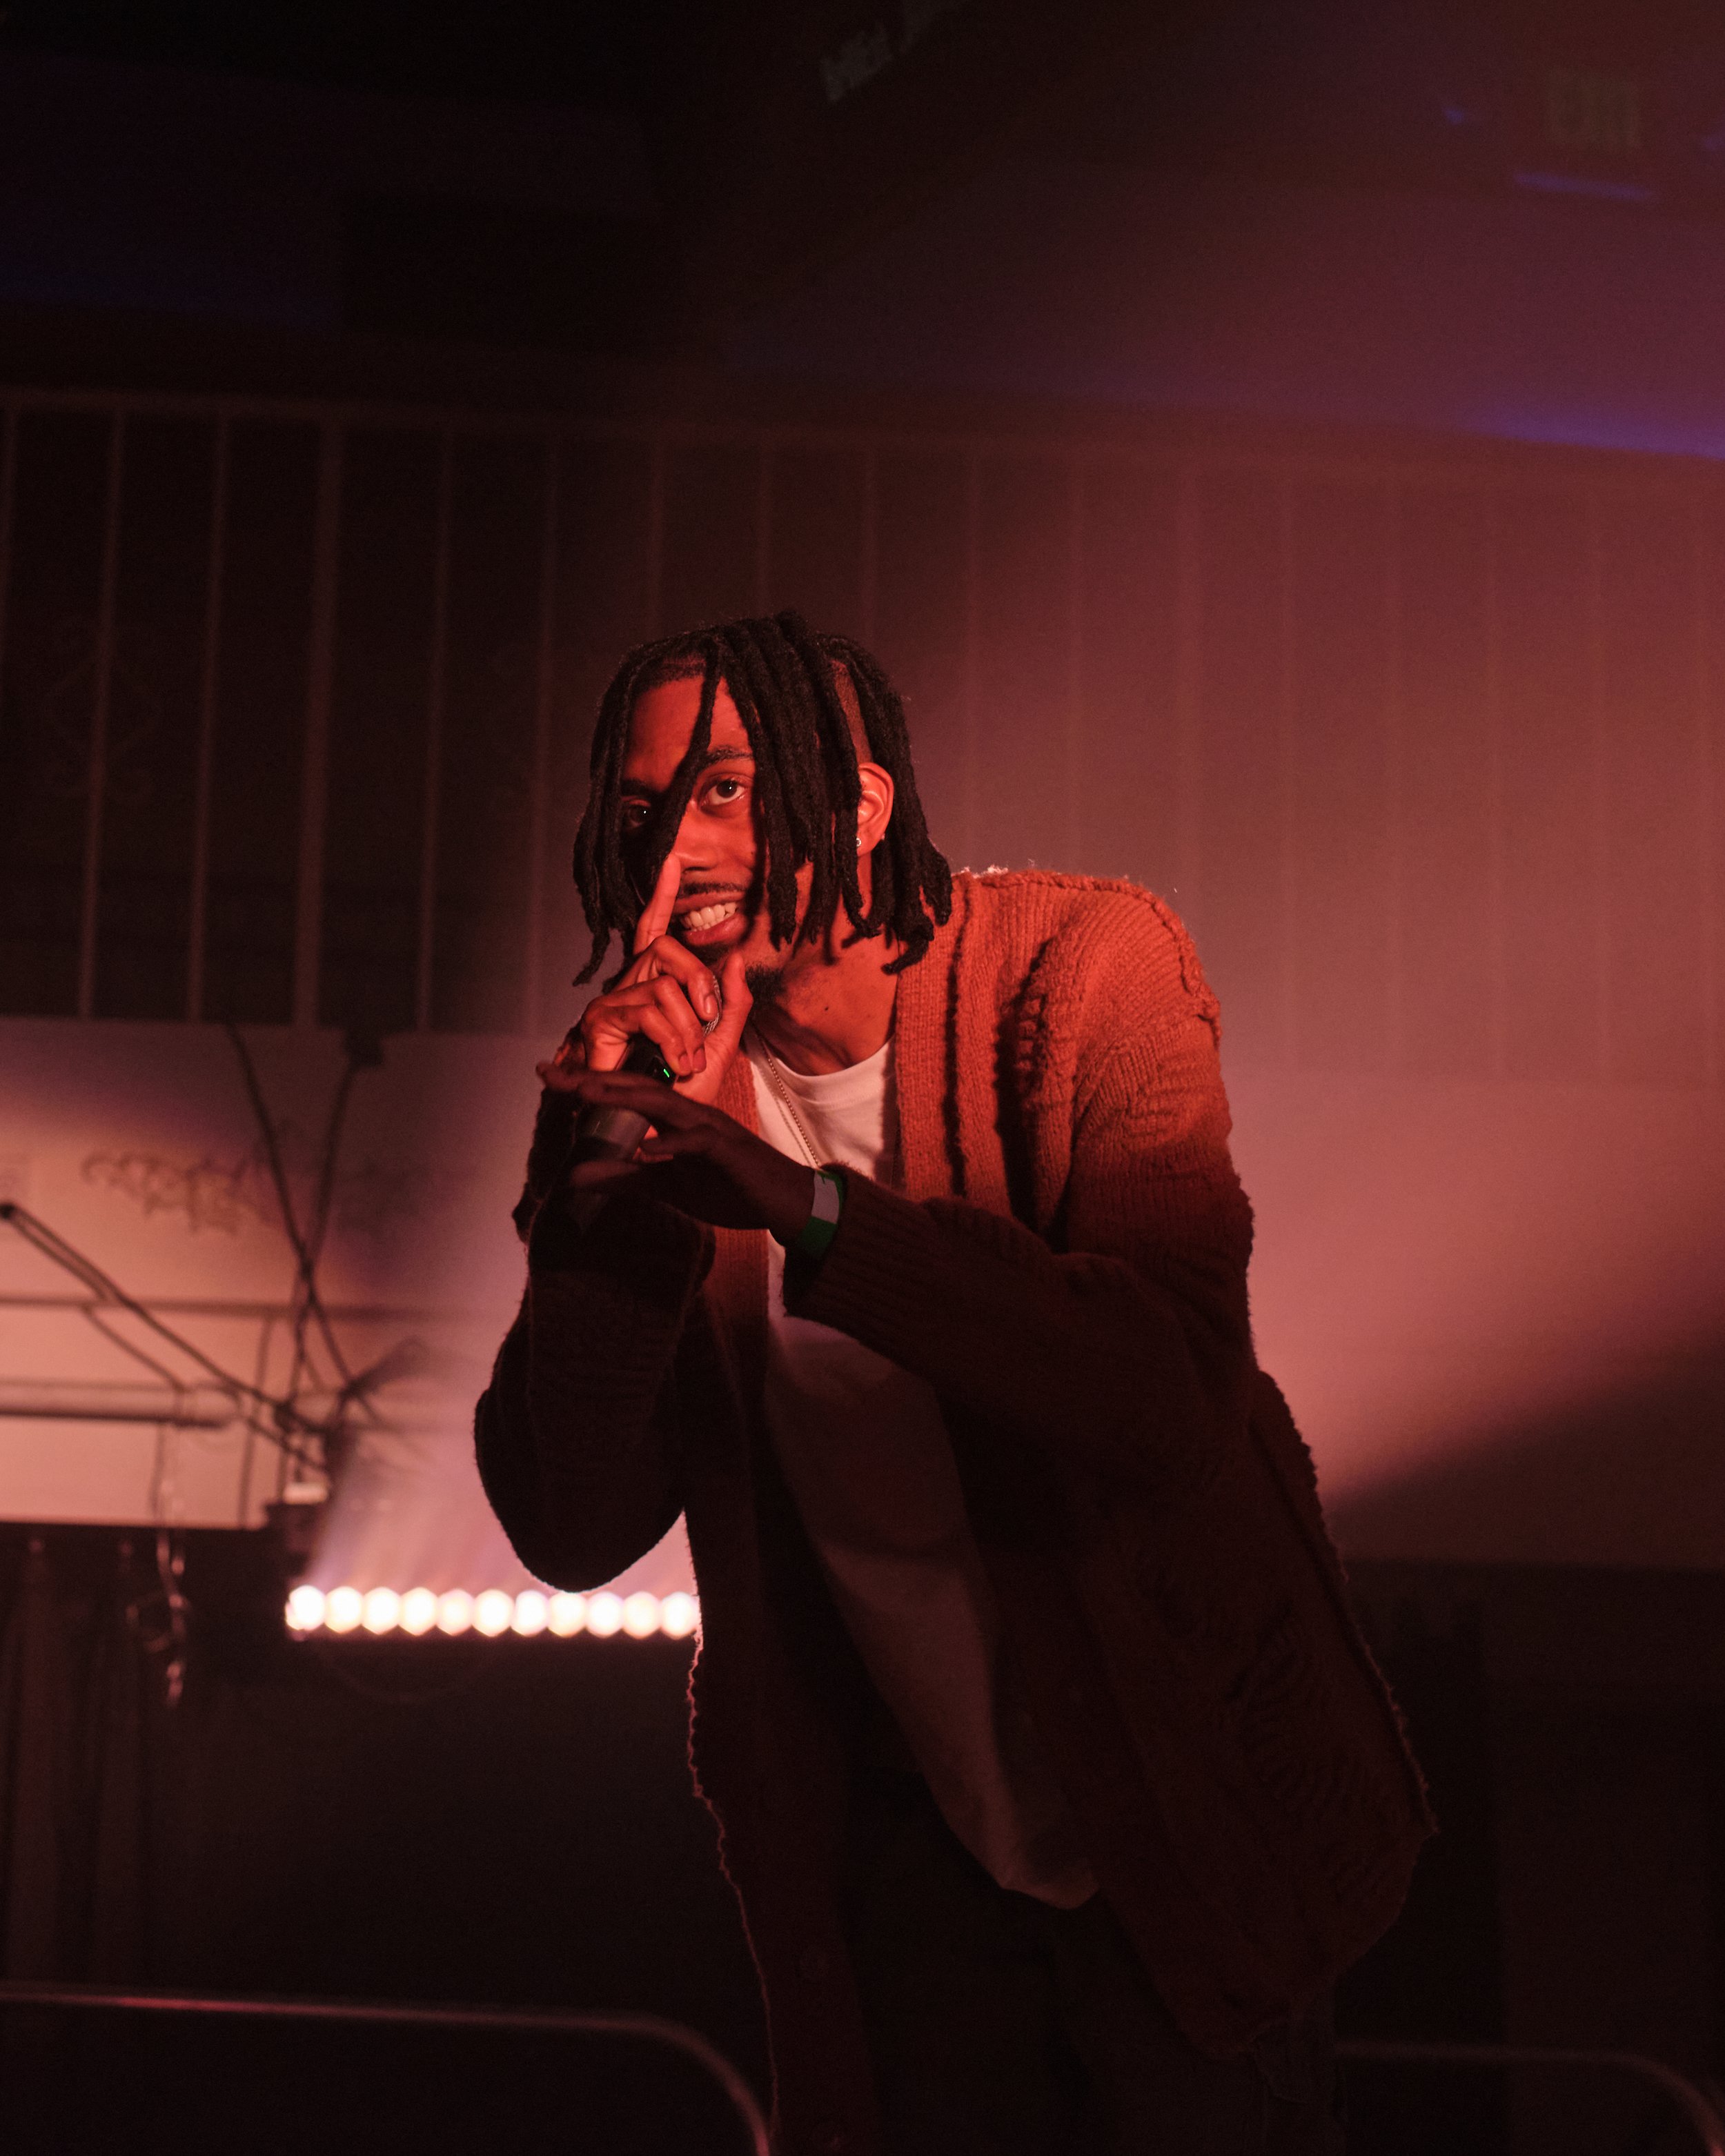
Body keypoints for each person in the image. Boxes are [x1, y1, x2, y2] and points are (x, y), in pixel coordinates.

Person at [475, 611, 1430, 2156]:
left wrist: (805, 1213)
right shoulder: (656, 1070)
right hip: (920, 1856)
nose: (675, 847)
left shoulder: (1084, 967)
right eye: (643, 807)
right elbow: (569, 1524)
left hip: (1183, 1817)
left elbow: (1168, 1394)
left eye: (725, 789)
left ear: (857, 803)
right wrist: (608, 1191)